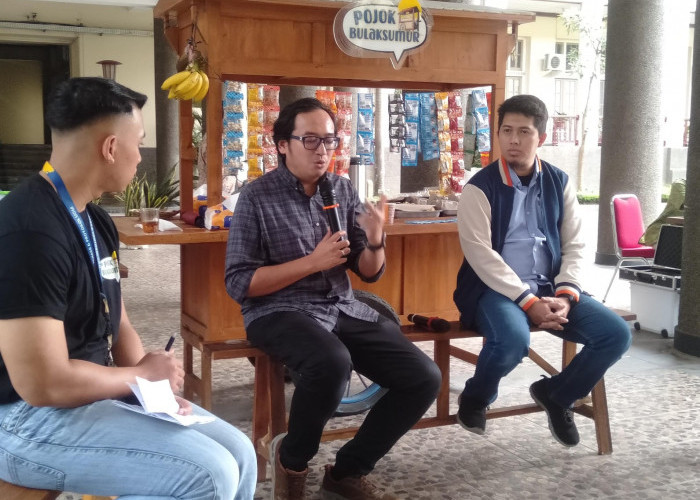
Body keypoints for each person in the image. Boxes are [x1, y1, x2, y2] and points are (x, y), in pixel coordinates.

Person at [0, 77, 256, 499]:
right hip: (24, 418)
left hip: (90, 396)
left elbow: (117, 322)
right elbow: (42, 383)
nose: (140, 156)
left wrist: (153, 396)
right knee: (208, 476)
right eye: (138, 143)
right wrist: (139, 375)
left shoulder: (95, 220)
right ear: (110, 147)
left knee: (240, 454)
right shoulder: (29, 229)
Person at [225, 97, 441, 500]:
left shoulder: (341, 188)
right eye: (310, 140)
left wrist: (375, 240)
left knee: (424, 377)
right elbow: (240, 282)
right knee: (331, 362)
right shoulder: (257, 196)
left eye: (329, 140)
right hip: (277, 310)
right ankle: (292, 461)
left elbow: (368, 270)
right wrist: (312, 262)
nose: (322, 150)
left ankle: (347, 471)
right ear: (282, 145)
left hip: (339, 305)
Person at [453, 94, 632, 447]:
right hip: (496, 290)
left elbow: (575, 244)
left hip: (551, 287)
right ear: (498, 134)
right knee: (511, 342)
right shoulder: (479, 187)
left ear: (542, 138)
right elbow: (479, 254)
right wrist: (527, 301)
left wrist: (565, 295)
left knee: (615, 334)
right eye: (506, 131)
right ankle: (476, 396)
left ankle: (557, 394)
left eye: (524, 132)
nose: (513, 140)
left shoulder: (558, 181)